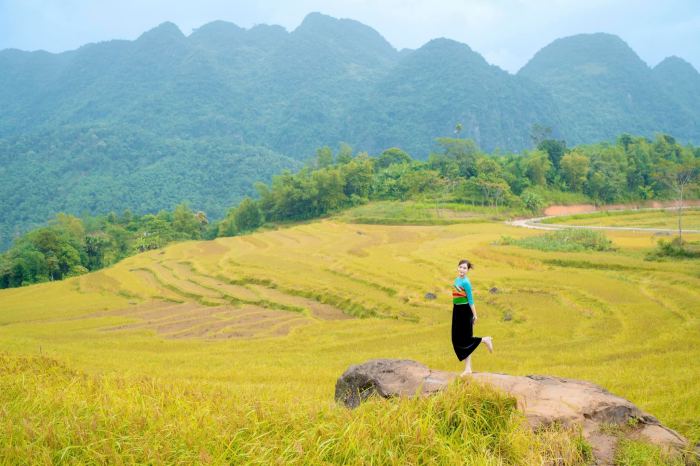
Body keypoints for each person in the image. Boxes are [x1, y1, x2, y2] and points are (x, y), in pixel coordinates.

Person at [452, 259, 493, 376]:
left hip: (465, 312)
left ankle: (484, 340)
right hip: (457, 311)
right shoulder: (456, 280)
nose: (462, 270)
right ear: (457, 267)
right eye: (460, 267)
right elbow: (456, 298)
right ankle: (468, 368)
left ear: (468, 270)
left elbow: (470, 300)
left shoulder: (466, 283)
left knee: (465, 339)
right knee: (457, 339)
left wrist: (475, 315)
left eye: (465, 268)